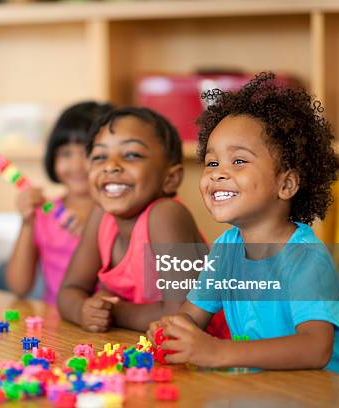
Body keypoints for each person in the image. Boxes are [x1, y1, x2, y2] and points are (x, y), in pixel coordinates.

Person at [147, 73, 339, 375]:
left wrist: (218, 351)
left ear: (286, 184)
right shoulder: (225, 250)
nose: (218, 174)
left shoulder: (306, 259)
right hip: (260, 391)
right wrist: (171, 330)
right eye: (212, 163)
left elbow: (315, 349)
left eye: (238, 161)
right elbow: (191, 317)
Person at [58, 107, 228, 336]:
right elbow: (70, 290)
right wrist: (83, 310)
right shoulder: (101, 215)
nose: (111, 166)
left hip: (211, 352)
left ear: (170, 178)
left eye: (131, 155)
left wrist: (114, 312)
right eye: (99, 157)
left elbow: (180, 316)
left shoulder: (166, 214)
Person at [6, 101, 113, 304]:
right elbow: (19, 286)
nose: (76, 165)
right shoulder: (44, 214)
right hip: (58, 328)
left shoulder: (119, 212)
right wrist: (27, 222)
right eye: (66, 153)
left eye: (88, 153)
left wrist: (92, 239)